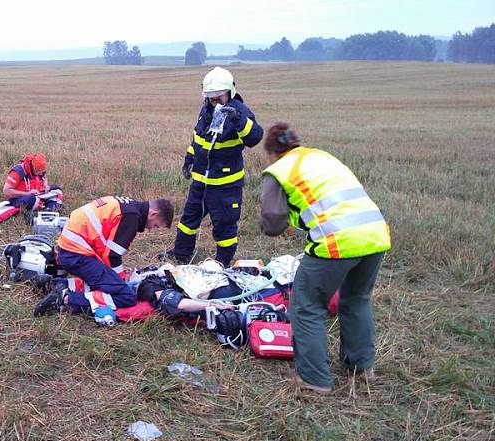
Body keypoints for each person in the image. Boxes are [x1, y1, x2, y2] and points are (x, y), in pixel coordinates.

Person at [259, 122, 391, 394]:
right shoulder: (321, 156)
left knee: (307, 305)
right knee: (356, 300)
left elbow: (272, 224)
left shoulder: (279, 170)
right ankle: (362, 367)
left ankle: (314, 379)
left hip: (336, 243)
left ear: (272, 152)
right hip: (375, 235)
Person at [166, 67, 264, 267]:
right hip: (200, 181)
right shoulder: (207, 109)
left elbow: (255, 137)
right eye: (211, 98)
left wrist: (237, 119)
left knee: (225, 226)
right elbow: (198, 137)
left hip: (225, 184)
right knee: (188, 221)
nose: (215, 102)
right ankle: (181, 255)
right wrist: (189, 158)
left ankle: (222, 264)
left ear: (230, 92)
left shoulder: (240, 112)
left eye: (219, 98)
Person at [33, 196, 174, 316]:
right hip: (76, 254)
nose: (150, 229)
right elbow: (112, 256)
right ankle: (64, 299)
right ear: (153, 214)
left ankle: (53, 284)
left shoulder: (128, 205)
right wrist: (120, 279)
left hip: (70, 248)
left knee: (106, 282)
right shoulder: (132, 217)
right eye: (155, 225)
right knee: (126, 296)